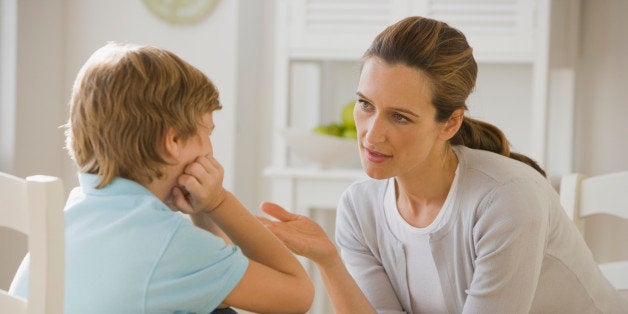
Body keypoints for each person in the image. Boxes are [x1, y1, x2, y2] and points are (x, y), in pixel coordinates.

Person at [259, 16, 628, 313]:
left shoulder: (506, 200)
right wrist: (328, 260)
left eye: (400, 117)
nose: (371, 135)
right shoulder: (359, 207)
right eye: (365, 104)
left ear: (449, 123)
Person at [9, 42, 314, 313]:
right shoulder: (170, 245)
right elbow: (298, 295)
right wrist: (219, 202)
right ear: (173, 142)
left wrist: (202, 213)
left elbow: (214, 285)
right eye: (207, 132)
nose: (210, 150)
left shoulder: (75, 215)